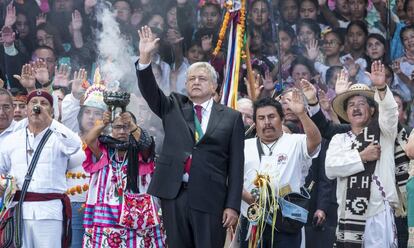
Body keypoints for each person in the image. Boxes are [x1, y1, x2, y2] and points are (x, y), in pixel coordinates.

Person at [136, 26, 244, 248]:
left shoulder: (231, 118)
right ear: (185, 85)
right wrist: (145, 58)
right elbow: (149, 90)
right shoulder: (173, 105)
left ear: (214, 86)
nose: (195, 82)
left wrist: (232, 205)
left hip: (210, 197)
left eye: (202, 78)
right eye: (191, 78)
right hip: (174, 194)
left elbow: (236, 166)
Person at [325, 61, 401, 247]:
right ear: (346, 112)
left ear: (373, 109)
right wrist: (361, 157)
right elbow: (331, 169)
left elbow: (390, 114)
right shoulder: (339, 140)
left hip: (379, 214)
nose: (356, 108)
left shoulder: (384, 133)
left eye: (361, 104)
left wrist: (381, 87)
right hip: (348, 216)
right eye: (351, 105)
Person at [0, 89, 81, 247]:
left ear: (51, 110)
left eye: (44, 104)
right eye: (34, 103)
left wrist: (50, 121)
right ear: (27, 109)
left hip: (50, 213)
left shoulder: (59, 137)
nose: (38, 107)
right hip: (18, 212)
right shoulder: (11, 139)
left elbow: (76, 146)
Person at [240, 94, 321, 247]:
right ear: (255, 123)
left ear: (282, 119)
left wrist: (301, 114)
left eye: (272, 117)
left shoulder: (295, 141)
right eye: (261, 118)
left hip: (286, 222)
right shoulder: (243, 146)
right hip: (251, 220)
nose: (267, 122)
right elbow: (232, 178)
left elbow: (315, 141)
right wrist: (249, 198)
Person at [82, 110, 164, 247]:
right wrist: (103, 123)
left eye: (126, 127)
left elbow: (147, 145)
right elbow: (89, 140)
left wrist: (132, 126)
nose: (122, 131)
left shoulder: (141, 151)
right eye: (117, 127)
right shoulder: (104, 150)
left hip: (138, 216)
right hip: (106, 216)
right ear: (111, 129)